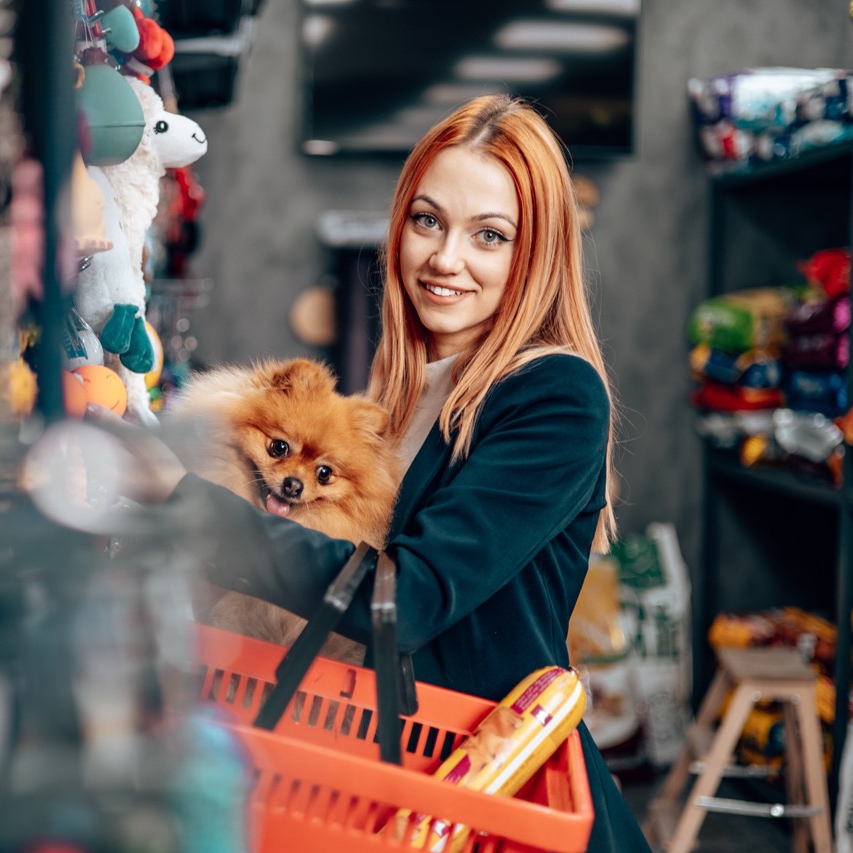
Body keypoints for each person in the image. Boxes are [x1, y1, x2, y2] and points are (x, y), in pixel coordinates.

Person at [87, 94, 651, 851]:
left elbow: (403, 600)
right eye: (428, 220)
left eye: (489, 235)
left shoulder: (553, 392)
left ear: (535, 254)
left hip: (492, 806)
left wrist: (182, 498)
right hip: (403, 792)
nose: (446, 258)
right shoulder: (407, 390)